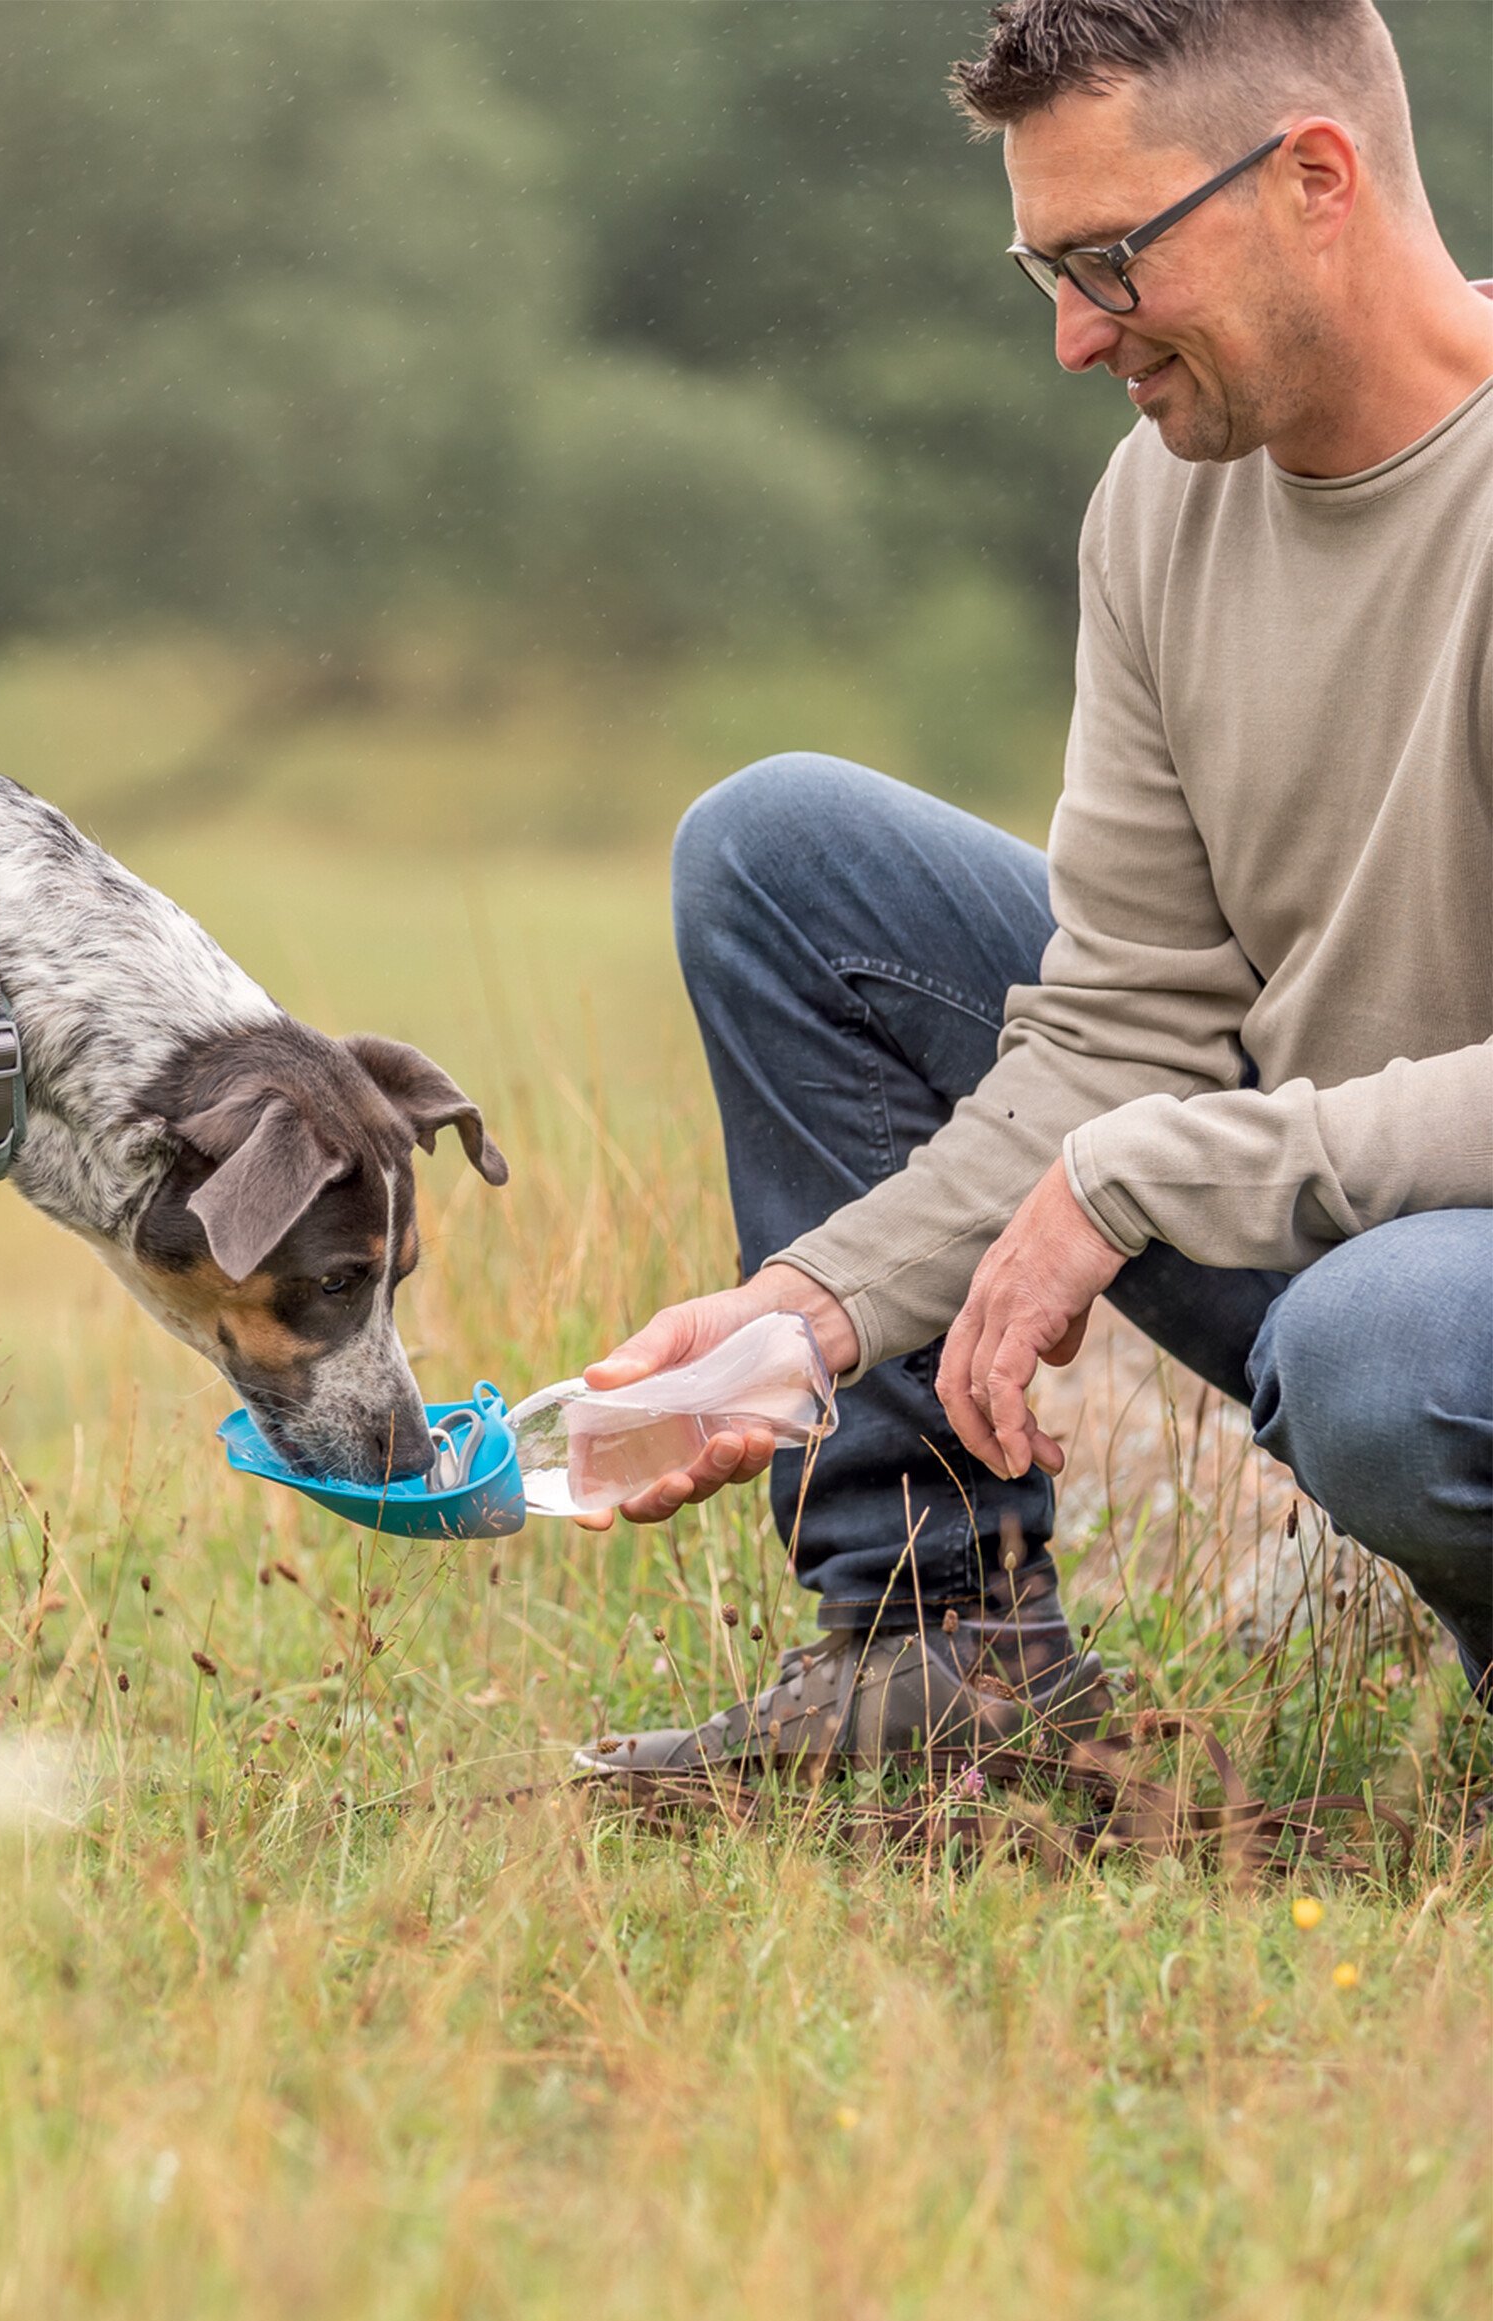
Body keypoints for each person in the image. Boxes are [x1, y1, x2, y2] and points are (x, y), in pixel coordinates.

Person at [579, 0, 1493, 1787]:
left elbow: (1143, 1131)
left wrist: (1145, 1170)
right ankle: (939, 1659)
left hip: (1406, 1293)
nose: (1076, 339)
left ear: (1316, 178)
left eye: (1111, 262)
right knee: (784, 852)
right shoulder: (1159, 510)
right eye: (1043, 272)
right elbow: (1124, 1026)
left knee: (1380, 1347)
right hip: (1323, 1223)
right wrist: (814, 1309)